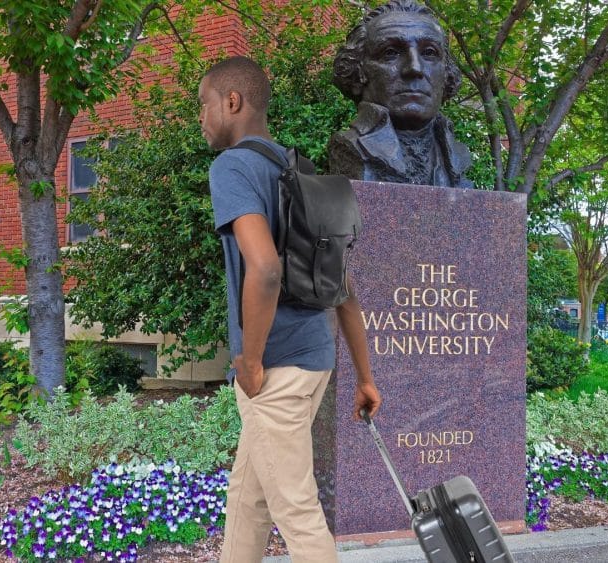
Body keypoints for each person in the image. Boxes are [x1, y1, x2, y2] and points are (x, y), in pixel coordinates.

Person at [199, 56, 382, 562]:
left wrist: (250, 360)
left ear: (232, 102)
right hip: (315, 359)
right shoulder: (297, 170)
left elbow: (265, 269)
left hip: (275, 369)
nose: (202, 119)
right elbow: (341, 286)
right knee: (249, 498)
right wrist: (364, 377)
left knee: (298, 515)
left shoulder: (233, 166)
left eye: (203, 106)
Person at [328, 0, 473, 187]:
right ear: (358, 72)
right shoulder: (350, 148)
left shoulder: (457, 156)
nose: (415, 68)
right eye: (390, 53)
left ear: (446, 74)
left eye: (429, 53)